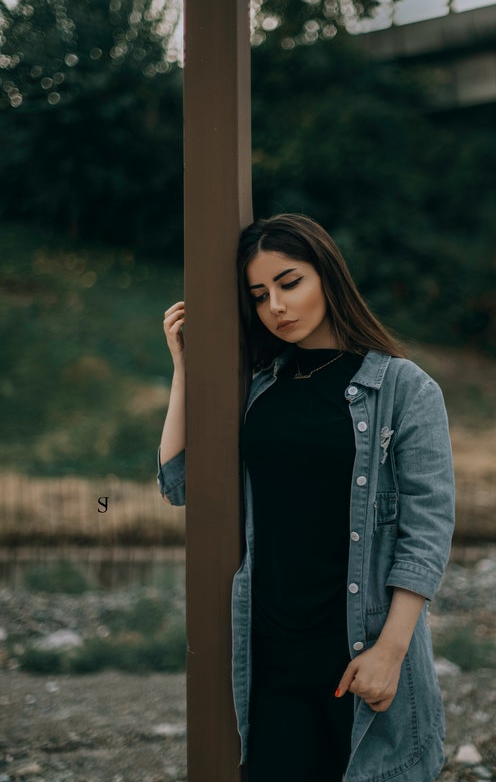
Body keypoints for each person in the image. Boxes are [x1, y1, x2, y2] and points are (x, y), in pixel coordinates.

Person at [157, 213, 455, 782]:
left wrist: (390, 653)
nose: (276, 306)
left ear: (327, 276)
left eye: (289, 283)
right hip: (271, 650)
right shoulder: (259, 386)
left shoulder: (404, 389)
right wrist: (186, 370)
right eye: (260, 294)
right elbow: (180, 483)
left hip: (359, 645)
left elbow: (428, 529)